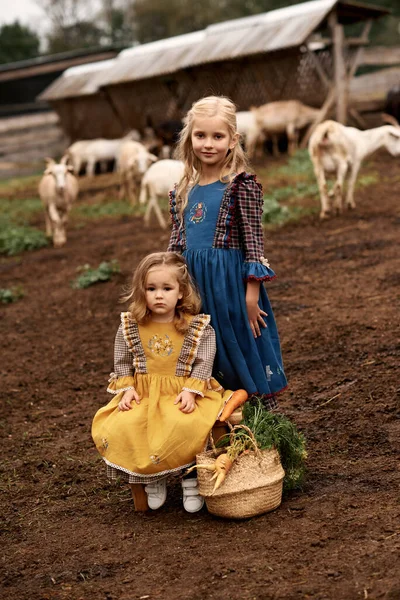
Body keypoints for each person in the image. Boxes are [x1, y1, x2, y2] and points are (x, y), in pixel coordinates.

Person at [91, 252, 243, 513]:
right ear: (142, 292)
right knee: (131, 423)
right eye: (151, 289)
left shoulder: (196, 327)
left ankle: (191, 479)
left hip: (182, 392)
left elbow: (204, 363)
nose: (158, 295)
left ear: (181, 292)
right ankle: (153, 477)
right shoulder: (131, 326)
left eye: (166, 288)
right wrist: (126, 389)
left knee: (185, 423)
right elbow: (122, 361)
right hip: (145, 394)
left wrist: (191, 390)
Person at [168, 96, 287, 410]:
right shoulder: (183, 190)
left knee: (240, 347)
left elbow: (254, 243)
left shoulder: (240, 186)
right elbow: (177, 246)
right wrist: (171, 287)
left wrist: (251, 296)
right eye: (201, 135)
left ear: (233, 140)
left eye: (218, 136)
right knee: (206, 350)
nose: (208, 144)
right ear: (189, 137)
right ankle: (218, 423)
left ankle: (262, 422)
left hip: (230, 285)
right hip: (195, 286)